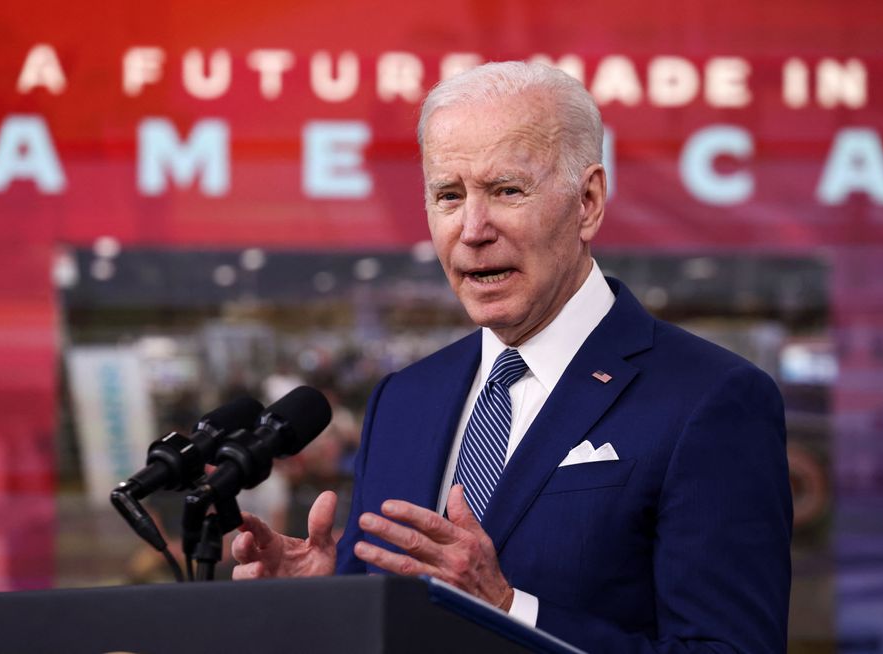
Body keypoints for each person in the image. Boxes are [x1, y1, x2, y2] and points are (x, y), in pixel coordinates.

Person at [232, 61, 792, 652]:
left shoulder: (712, 399)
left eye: (507, 191)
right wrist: (326, 602)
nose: (473, 228)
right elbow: (388, 608)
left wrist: (507, 609)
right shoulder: (405, 398)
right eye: (449, 195)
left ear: (588, 202)